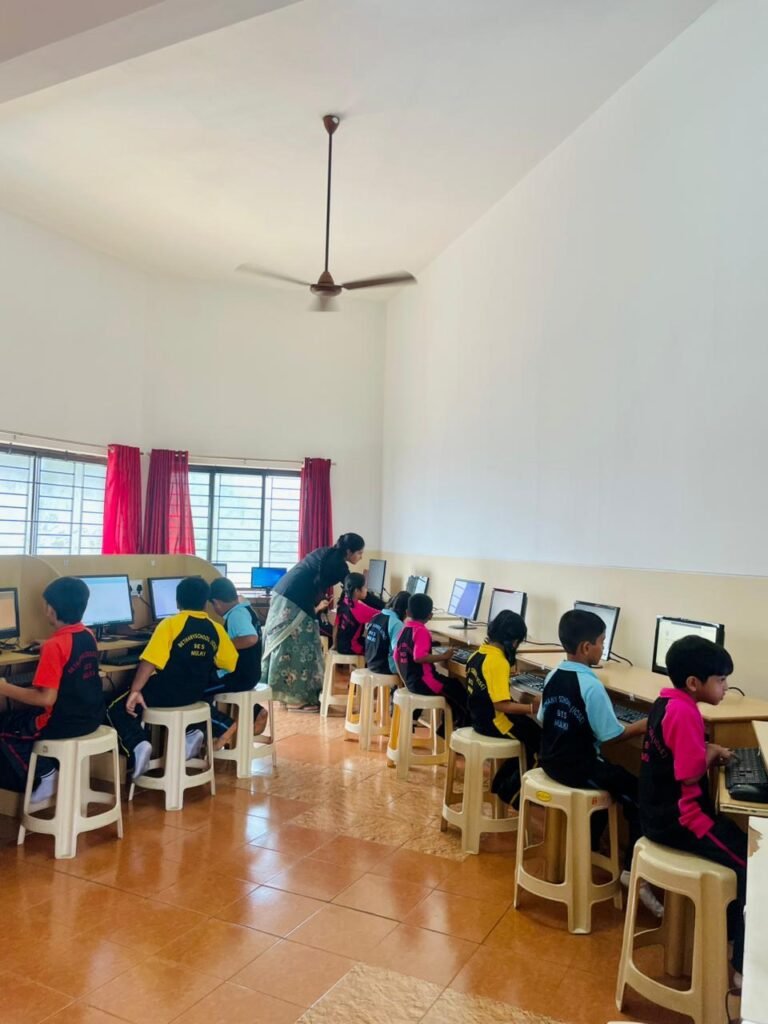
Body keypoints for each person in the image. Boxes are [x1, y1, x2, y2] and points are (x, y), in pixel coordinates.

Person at [538, 608, 662, 916]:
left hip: (550, 761)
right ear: (586, 647)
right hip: (577, 768)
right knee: (640, 795)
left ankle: (591, 848)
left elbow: (543, 716)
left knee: (614, 779)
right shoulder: (591, 686)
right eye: (601, 642)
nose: (603, 648)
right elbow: (611, 736)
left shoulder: (553, 675)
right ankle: (632, 872)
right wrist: (643, 725)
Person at [639, 635, 746, 985]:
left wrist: (706, 748)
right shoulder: (685, 713)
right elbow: (688, 773)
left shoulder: (665, 702)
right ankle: (742, 965)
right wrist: (710, 753)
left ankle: (730, 933)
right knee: (749, 864)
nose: (726, 687)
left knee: (739, 843)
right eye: (721, 680)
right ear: (694, 683)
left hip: (657, 814)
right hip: (683, 820)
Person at [106, 576, 237, 780]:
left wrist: (135, 690)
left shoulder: (170, 624)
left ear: (177, 602)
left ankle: (138, 744)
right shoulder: (216, 629)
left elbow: (149, 661)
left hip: (164, 695)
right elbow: (229, 663)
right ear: (206, 604)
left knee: (115, 706)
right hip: (195, 694)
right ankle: (192, 731)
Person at [0, 577, 103, 802]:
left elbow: (46, 699)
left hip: (61, 723)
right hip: (90, 718)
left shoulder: (55, 646)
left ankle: (44, 774)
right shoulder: (88, 635)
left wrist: (5, 688)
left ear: (50, 610)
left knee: (5, 728)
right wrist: (49, 645)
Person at [262, 533, 365, 709]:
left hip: (284, 593)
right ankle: (297, 698)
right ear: (349, 551)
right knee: (302, 646)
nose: (361, 557)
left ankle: (289, 696)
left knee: (298, 645)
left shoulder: (326, 552)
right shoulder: (339, 565)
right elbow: (354, 589)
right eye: (359, 553)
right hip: (293, 600)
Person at [466, 609, 541, 802]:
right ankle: (512, 794)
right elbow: (502, 705)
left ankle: (500, 783)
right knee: (540, 743)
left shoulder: (477, 655)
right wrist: (531, 708)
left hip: (479, 720)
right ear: (514, 642)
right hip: (497, 723)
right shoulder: (498, 662)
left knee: (529, 735)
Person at [206, 577, 268, 748]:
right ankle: (255, 711)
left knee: (198, 689)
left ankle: (223, 726)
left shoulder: (236, 615)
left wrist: (222, 646)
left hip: (237, 676)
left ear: (216, 602)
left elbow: (250, 638)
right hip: (250, 673)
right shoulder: (245, 608)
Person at [395, 593, 469, 732]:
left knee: (453, 689)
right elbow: (419, 657)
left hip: (411, 682)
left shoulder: (404, 630)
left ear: (408, 612)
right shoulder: (421, 631)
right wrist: (444, 656)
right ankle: (455, 730)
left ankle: (446, 727)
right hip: (426, 682)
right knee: (458, 690)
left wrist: (405, 680)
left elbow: (396, 656)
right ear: (430, 615)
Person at [365, 590, 409, 676]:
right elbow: (398, 653)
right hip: (385, 667)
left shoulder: (376, 616)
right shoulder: (396, 623)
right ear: (406, 610)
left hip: (370, 663)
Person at [334, 572, 379, 655]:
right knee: (377, 647)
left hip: (341, 646)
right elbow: (382, 614)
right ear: (357, 590)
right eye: (365, 587)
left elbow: (336, 626)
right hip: (351, 647)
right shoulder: (359, 609)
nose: (366, 590)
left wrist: (334, 645)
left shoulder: (343, 602)